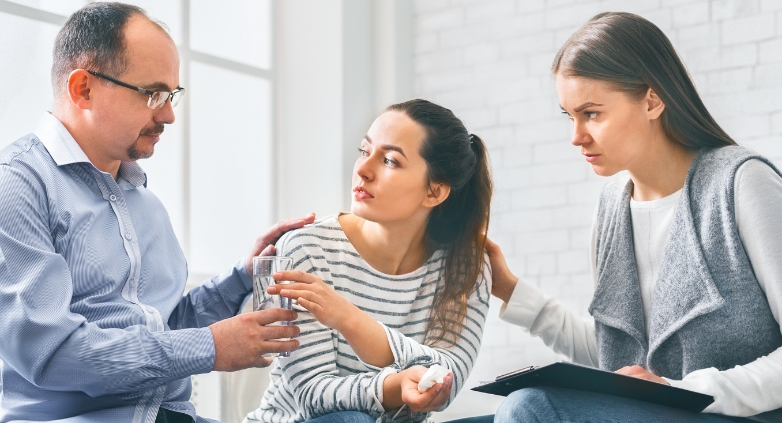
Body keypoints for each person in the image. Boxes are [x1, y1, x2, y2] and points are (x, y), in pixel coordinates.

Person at [454, 12, 782, 423]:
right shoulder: (612, 206)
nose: (576, 136)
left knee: (530, 407)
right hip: (648, 412)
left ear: (652, 99)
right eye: (569, 116)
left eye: (591, 113)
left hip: (736, 416)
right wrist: (511, 290)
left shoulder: (742, 183)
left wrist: (683, 390)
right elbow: (620, 358)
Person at [0, 3, 313, 422]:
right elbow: (52, 353)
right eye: (153, 93)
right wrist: (210, 347)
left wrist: (243, 273)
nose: (167, 114)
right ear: (83, 89)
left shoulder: (143, 203)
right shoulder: (19, 185)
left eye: (171, 96)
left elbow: (163, 327)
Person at [243, 99, 494, 423]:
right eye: (365, 151)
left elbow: (449, 376)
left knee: (523, 413)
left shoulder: (466, 267)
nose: (363, 169)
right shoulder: (301, 248)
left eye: (389, 160)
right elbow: (312, 396)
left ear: (434, 192)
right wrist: (394, 386)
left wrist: (349, 319)